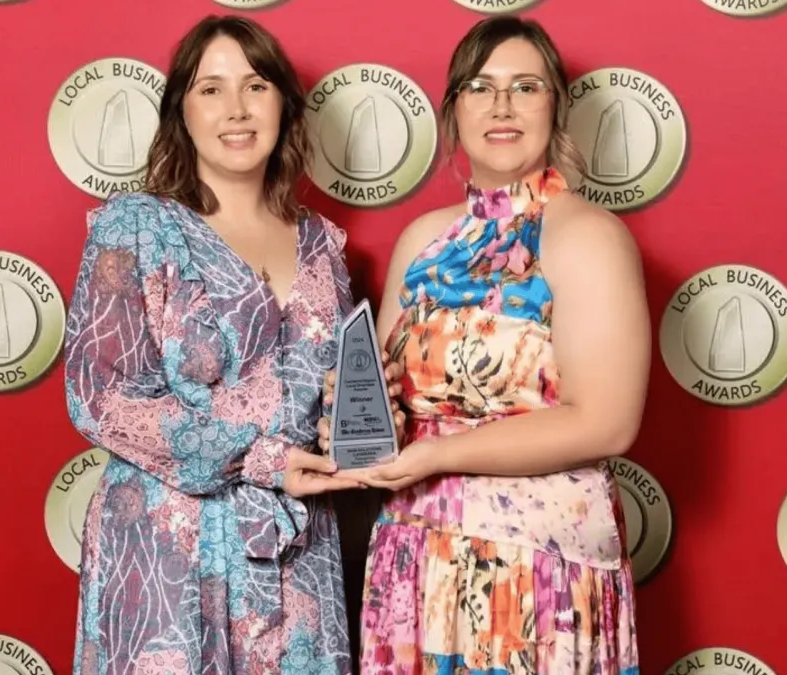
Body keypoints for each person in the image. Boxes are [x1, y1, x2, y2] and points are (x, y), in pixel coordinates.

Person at [319, 16, 649, 675]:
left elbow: (607, 421)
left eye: (525, 86)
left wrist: (439, 455)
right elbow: (386, 407)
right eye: (480, 87)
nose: (501, 105)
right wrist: (352, 416)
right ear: (454, 111)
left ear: (555, 106)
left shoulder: (589, 236)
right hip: (415, 558)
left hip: (533, 571)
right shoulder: (422, 241)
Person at [63, 14, 388, 675]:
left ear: (284, 106)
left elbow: (329, 391)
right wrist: (264, 458)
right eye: (211, 89)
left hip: (298, 554)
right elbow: (102, 398)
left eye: (256, 85)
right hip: (170, 552)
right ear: (180, 111)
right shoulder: (136, 227)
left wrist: (361, 424)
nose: (237, 109)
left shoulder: (323, 245)